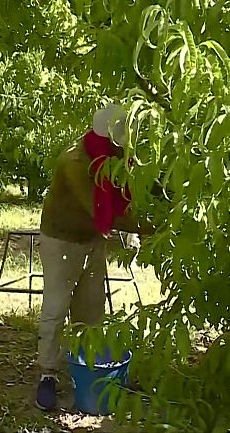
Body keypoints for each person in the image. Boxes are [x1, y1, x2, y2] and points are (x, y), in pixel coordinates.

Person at [35, 103, 153, 410]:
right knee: (56, 307)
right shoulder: (74, 162)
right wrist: (151, 226)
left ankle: (88, 371)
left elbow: (124, 195)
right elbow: (102, 212)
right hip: (62, 240)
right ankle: (47, 374)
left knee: (91, 309)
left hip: (90, 238)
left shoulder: (110, 157)